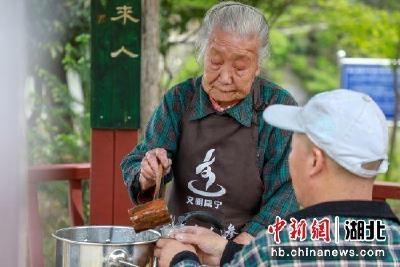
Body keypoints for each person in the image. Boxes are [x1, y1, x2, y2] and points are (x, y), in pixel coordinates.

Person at [154, 89, 400, 266]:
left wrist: (181, 260)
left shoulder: (273, 250)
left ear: (315, 161)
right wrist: (229, 252)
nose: (289, 159)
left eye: (293, 150)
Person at [121, 1, 298, 243]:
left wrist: (234, 252)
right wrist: (148, 173)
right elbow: (136, 161)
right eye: (215, 62)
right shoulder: (180, 100)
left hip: (245, 250)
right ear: (202, 54)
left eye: (240, 67)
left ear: (258, 66)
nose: (225, 78)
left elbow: (287, 193)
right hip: (177, 244)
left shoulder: (278, 108)